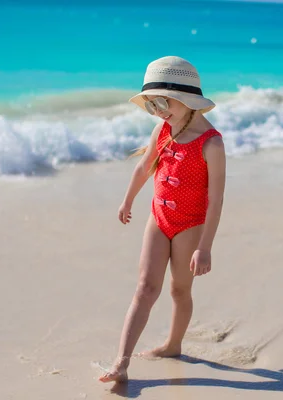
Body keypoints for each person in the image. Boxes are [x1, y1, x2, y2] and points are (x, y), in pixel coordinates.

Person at [99, 56, 226, 383]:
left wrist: (206, 247)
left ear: (186, 98)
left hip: (190, 226)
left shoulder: (211, 143)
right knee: (145, 288)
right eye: (151, 104)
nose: (157, 110)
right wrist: (128, 199)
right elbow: (144, 168)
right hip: (159, 218)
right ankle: (121, 362)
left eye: (163, 102)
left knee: (179, 291)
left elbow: (216, 200)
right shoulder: (164, 129)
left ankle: (173, 344)